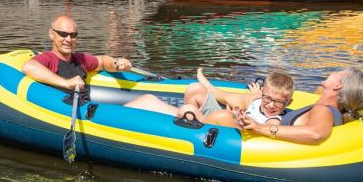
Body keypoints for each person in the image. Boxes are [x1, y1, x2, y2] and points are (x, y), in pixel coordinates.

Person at [128, 68, 363, 145]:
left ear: (339, 85)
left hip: (246, 134)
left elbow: (315, 133)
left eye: (336, 73)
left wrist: (259, 127)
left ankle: (185, 118)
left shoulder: (323, 110)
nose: (331, 73)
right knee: (148, 102)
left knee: (187, 111)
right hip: (246, 125)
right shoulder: (333, 109)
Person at [126, 68, 294, 129]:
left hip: (233, 133)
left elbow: (267, 130)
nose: (271, 105)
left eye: (279, 102)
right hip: (216, 122)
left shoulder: (275, 119)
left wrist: (243, 120)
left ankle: (188, 122)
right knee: (195, 89)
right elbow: (221, 95)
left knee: (203, 112)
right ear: (263, 93)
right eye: (267, 99)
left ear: (288, 103)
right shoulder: (255, 100)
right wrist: (203, 80)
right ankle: (187, 122)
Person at [22, 14, 133, 92]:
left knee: (149, 99)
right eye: (63, 34)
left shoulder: (80, 59)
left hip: (86, 106)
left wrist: (117, 63)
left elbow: (103, 61)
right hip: (64, 110)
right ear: (51, 34)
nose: (69, 39)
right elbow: (29, 67)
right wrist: (66, 83)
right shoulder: (49, 58)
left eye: (73, 35)